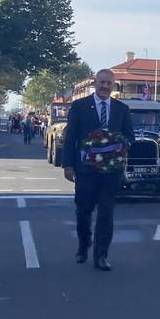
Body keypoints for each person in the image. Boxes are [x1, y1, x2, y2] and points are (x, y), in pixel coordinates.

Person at [62, 68, 136, 271]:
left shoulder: (122, 109)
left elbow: (130, 137)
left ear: (113, 86)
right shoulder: (79, 106)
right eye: (101, 82)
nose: (105, 86)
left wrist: (119, 145)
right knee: (83, 211)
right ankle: (84, 243)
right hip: (85, 170)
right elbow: (71, 139)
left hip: (111, 172)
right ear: (95, 83)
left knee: (106, 213)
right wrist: (68, 165)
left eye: (108, 83)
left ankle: (101, 255)